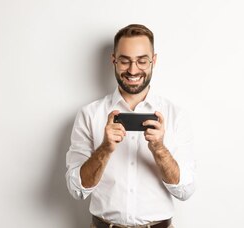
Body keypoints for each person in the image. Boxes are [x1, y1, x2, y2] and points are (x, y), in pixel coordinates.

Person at [65, 24, 196, 228]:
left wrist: (159, 150)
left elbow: (185, 191)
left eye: (142, 61)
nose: (133, 70)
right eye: (125, 61)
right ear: (113, 61)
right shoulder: (89, 114)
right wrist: (105, 149)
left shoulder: (176, 115)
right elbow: (77, 190)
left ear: (154, 61)